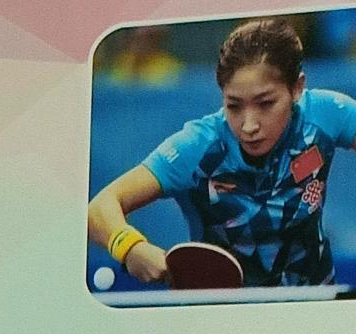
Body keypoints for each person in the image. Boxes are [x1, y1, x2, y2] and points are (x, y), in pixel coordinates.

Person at [89, 16, 356, 288]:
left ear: (297, 88)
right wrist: (129, 246)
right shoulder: (199, 147)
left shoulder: (326, 114)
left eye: (265, 103)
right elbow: (100, 207)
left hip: (316, 302)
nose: (249, 126)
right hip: (221, 308)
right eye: (234, 106)